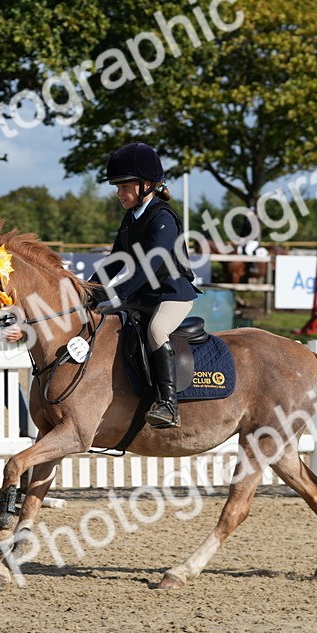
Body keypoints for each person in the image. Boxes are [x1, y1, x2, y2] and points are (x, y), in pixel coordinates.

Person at [91, 141, 199, 429]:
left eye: (124, 186)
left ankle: (168, 404)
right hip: (143, 294)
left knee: (156, 329)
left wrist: (118, 294)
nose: (118, 193)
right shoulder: (131, 218)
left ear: (146, 185)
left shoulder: (163, 217)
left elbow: (151, 264)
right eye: (117, 187)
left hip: (172, 293)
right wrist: (89, 290)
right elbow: (116, 259)